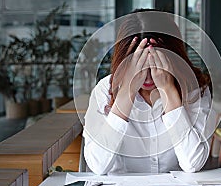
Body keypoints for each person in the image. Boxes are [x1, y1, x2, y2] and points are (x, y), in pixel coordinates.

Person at [83, 9, 214, 175]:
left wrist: (168, 90)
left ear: (172, 56)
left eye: (156, 61)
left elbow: (193, 163)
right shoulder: (104, 90)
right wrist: (127, 92)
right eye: (138, 63)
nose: (148, 74)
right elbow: (98, 165)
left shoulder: (195, 91)